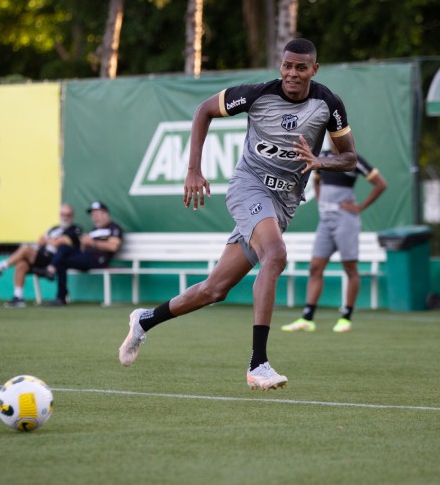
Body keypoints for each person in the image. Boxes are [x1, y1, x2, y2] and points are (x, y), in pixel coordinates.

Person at [118, 38, 357, 391]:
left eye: (301, 67)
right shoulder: (257, 94)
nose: (292, 73)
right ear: (281, 65)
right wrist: (193, 169)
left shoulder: (328, 104)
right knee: (274, 255)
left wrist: (321, 161)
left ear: (314, 70)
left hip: (284, 203)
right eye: (287, 65)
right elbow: (204, 110)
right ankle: (258, 363)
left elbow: (349, 157)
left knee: (214, 289)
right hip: (249, 186)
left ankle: (144, 320)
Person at [281, 149, 386, 333]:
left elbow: (380, 184)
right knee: (315, 267)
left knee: (350, 268)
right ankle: (307, 318)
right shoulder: (322, 156)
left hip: (346, 219)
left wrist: (359, 207)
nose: (334, 134)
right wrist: (322, 203)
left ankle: (346, 317)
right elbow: (317, 180)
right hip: (325, 220)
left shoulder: (354, 160)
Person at [0, 204, 82, 308]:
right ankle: (18, 297)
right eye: (63, 214)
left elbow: (59, 242)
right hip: (41, 255)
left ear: (72, 216)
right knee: (21, 264)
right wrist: (47, 240)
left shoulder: (75, 229)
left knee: (25, 249)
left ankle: (0, 267)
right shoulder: (54, 228)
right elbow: (40, 241)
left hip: (54, 260)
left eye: (68, 215)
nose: (65, 217)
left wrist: (47, 240)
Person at [42, 201, 124, 306]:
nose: (94, 217)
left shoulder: (114, 228)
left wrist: (92, 243)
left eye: (97, 214)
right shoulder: (94, 230)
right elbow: (83, 248)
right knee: (63, 249)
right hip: (85, 257)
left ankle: (52, 272)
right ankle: (60, 296)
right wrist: (83, 243)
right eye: (93, 215)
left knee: (62, 258)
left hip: (97, 260)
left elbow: (113, 246)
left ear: (105, 214)